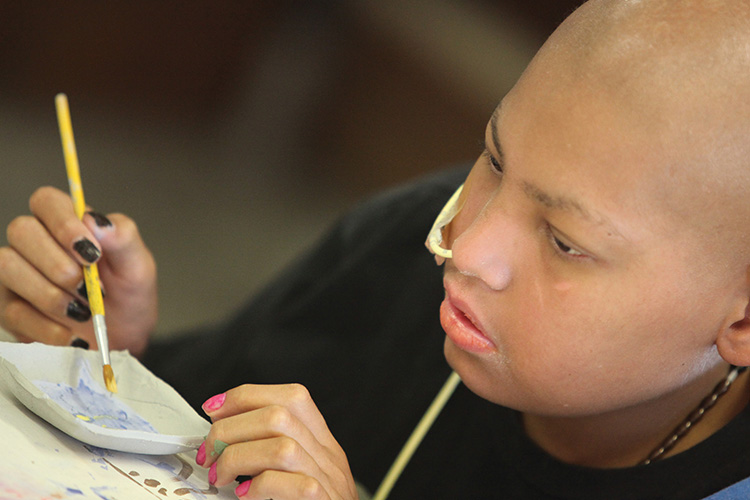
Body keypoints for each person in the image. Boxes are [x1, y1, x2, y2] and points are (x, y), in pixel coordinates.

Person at [2, 0, 750, 498]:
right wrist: (116, 365)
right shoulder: (409, 237)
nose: (466, 246)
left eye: (563, 241)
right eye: (493, 157)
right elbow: (201, 430)